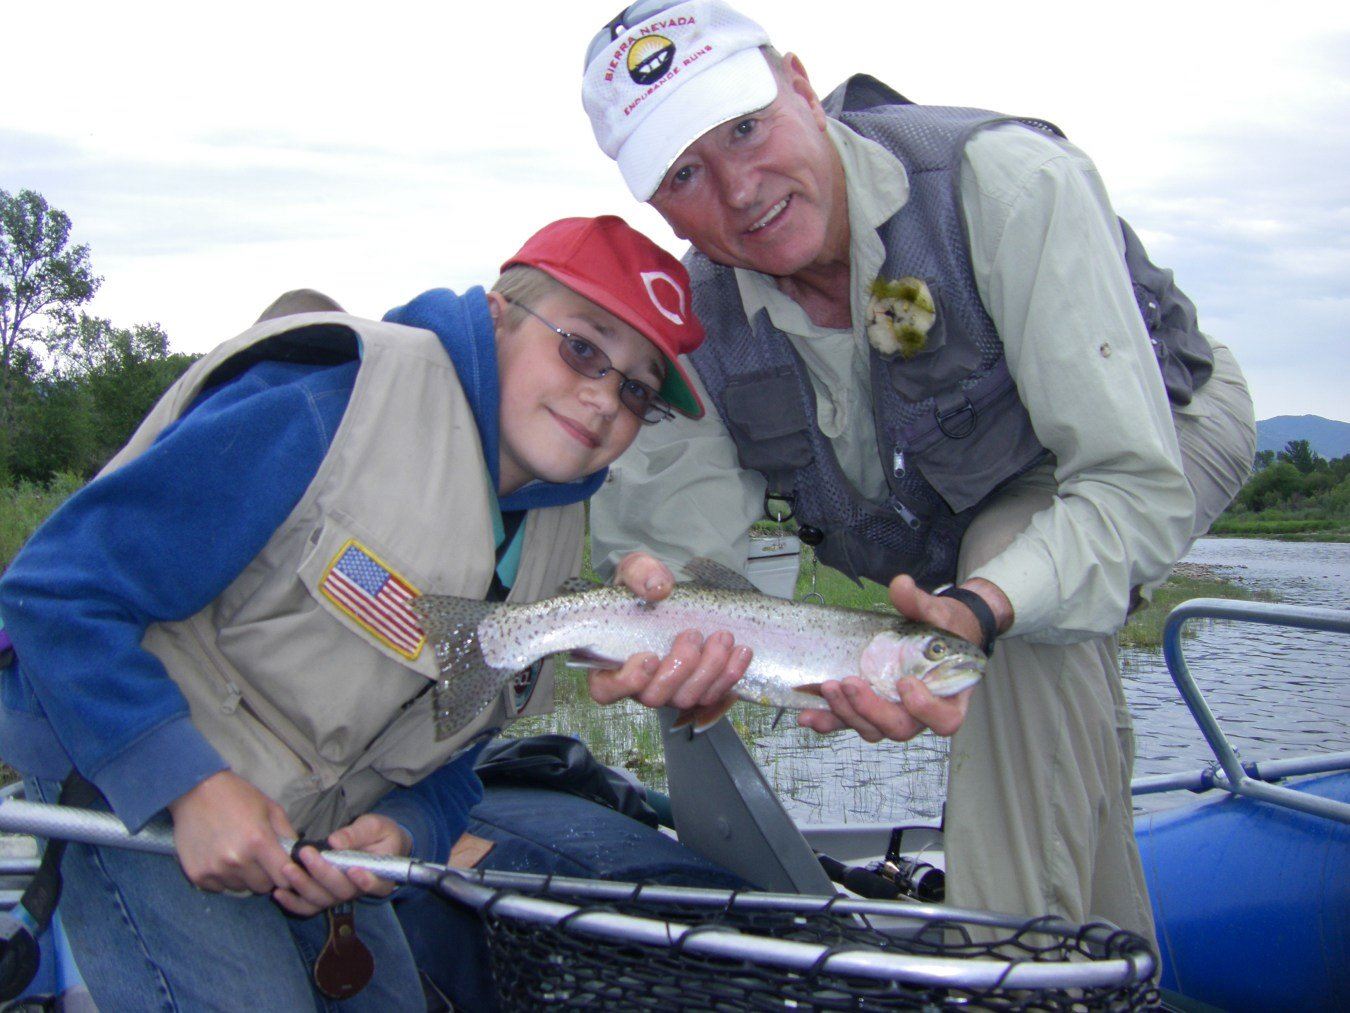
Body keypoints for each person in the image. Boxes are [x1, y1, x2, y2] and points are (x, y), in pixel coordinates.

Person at [577, 0, 1256, 941]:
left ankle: (1010, 973)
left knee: (1017, 583)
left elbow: (1126, 483)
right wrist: (683, 634)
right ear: (654, 201)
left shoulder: (1007, 186)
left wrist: (982, 605)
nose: (738, 189)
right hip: (940, 528)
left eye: (744, 127)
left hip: (1151, 428)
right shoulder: (696, 326)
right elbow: (682, 562)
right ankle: (1098, 964)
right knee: (1016, 606)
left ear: (801, 85)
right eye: (685, 172)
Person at [0, 214, 708, 1009]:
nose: (603, 396)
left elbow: (454, 749)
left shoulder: (553, 532)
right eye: (581, 347)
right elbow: (55, 591)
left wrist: (406, 826)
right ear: (497, 315)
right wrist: (189, 784)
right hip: (127, 769)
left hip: (310, 831)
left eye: (636, 388)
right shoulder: (331, 402)